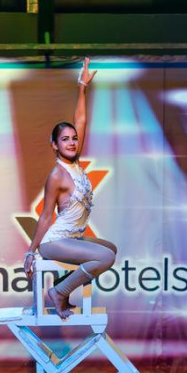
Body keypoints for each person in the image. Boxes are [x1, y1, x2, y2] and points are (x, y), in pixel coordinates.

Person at [23, 57, 117, 320]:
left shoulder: (76, 164)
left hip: (73, 238)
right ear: (55, 145)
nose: (72, 142)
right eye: (65, 139)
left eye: (74, 138)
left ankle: (62, 286)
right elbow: (45, 216)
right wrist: (31, 250)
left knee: (110, 249)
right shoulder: (57, 175)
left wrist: (82, 87)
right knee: (105, 257)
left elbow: (81, 120)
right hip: (55, 242)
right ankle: (59, 292)